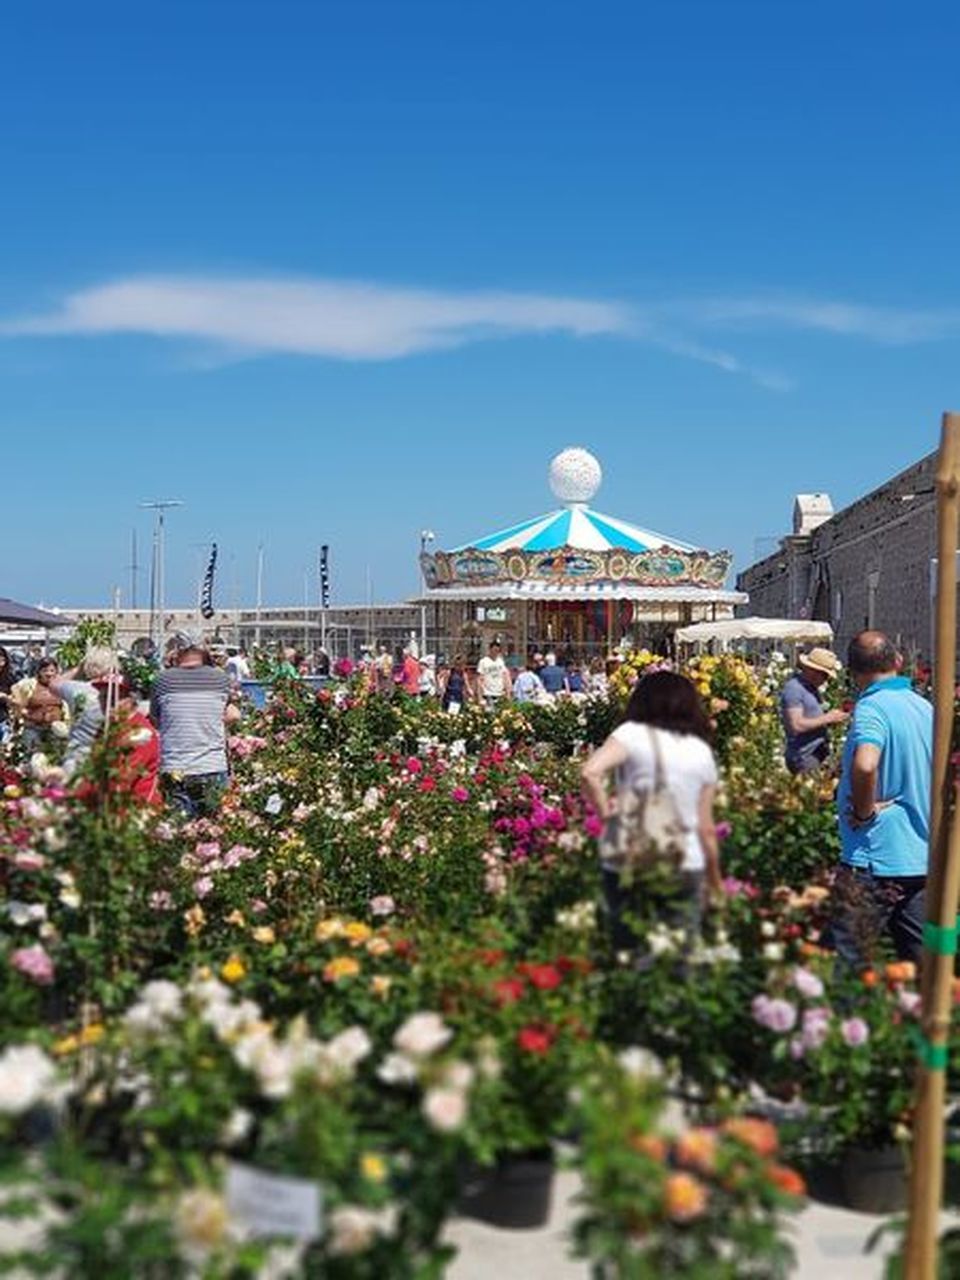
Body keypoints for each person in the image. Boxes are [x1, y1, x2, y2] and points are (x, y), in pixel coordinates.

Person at [581, 670, 722, 950]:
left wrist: (607, 815)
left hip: (630, 858)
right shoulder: (700, 750)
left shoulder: (631, 734)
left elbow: (589, 773)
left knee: (631, 951)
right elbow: (706, 828)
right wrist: (714, 880)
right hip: (684, 862)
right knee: (680, 957)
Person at [830, 630, 933, 967]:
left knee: (848, 963)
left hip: (873, 857)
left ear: (852, 671)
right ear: (898, 662)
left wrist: (864, 810)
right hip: (919, 855)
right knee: (925, 965)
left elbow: (866, 762)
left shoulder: (871, 708)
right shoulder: (924, 707)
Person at [150, 631, 241, 818]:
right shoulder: (220, 679)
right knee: (213, 833)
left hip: (175, 766)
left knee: (176, 832)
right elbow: (231, 714)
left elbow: (156, 720)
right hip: (211, 765)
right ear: (203, 650)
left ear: (176, 650)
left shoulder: (162, 680)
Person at [779, 647, 848, 773]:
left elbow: (810, 718)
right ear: (813, 670)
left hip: (815, 753)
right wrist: (828, 718)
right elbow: (796, 725)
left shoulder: (809, 688)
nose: (826, 679)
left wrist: (830, 720)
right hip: (804, 756)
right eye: (825, 675)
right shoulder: (794, 689)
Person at [476, 641, 511, 708]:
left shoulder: (500, 661)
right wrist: (479, 697)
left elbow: (505, 677)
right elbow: (479, 679)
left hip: (500, 694)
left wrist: (508, 693)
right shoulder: (483, 661)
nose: (496, 652)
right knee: (489, 715)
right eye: (494, 650)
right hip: (488, 694)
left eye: (498, 650)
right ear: (490, 649)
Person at [0, 646, 13, 743]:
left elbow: (15, 699)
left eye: (3, 660)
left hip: (3, 720)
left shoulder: (9, 678)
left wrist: (6, 697)